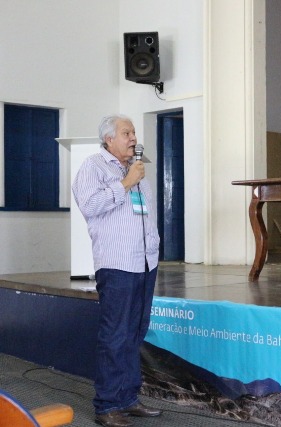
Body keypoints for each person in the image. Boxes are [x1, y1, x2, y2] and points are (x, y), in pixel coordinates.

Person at [72, 114, 162, 427]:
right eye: (126, 133)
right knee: (115, 335)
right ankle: (107, 405)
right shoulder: (93, 167)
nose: (133, 138)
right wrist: (125, 183)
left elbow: (145, 216)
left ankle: (127, 398)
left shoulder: (137, 169)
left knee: (135, 332)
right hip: (117, 263)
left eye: (134, 132)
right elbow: (90, 206)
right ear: (109, 138)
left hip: (145, 262)